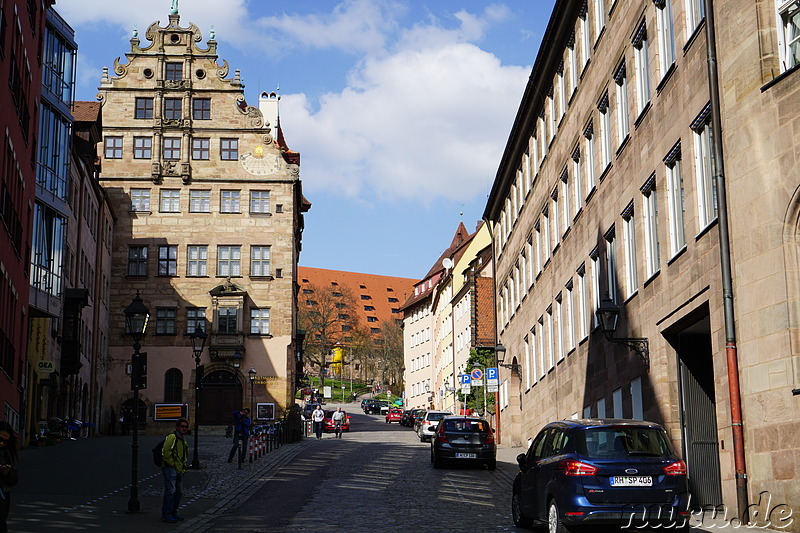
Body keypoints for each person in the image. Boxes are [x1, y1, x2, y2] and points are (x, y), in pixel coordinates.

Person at [160, 418, 189, 523]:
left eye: (186, 427)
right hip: (170, 468)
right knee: (171, 491)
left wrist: (183, 467)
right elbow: (166, 452)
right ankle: (166, 514)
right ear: (177, 427)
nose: (184, 428)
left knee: (178, 492)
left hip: (179, 469)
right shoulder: (172, 437)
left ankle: (173, 512)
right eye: (182, 426)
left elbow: (183, 455)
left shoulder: (182, 439)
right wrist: (172, 464)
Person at [0, 422, 20, 533]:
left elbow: (13, 480)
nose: (2, 443)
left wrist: (7, 473)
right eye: (0, 439)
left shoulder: (5, 454)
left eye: (6, 441)